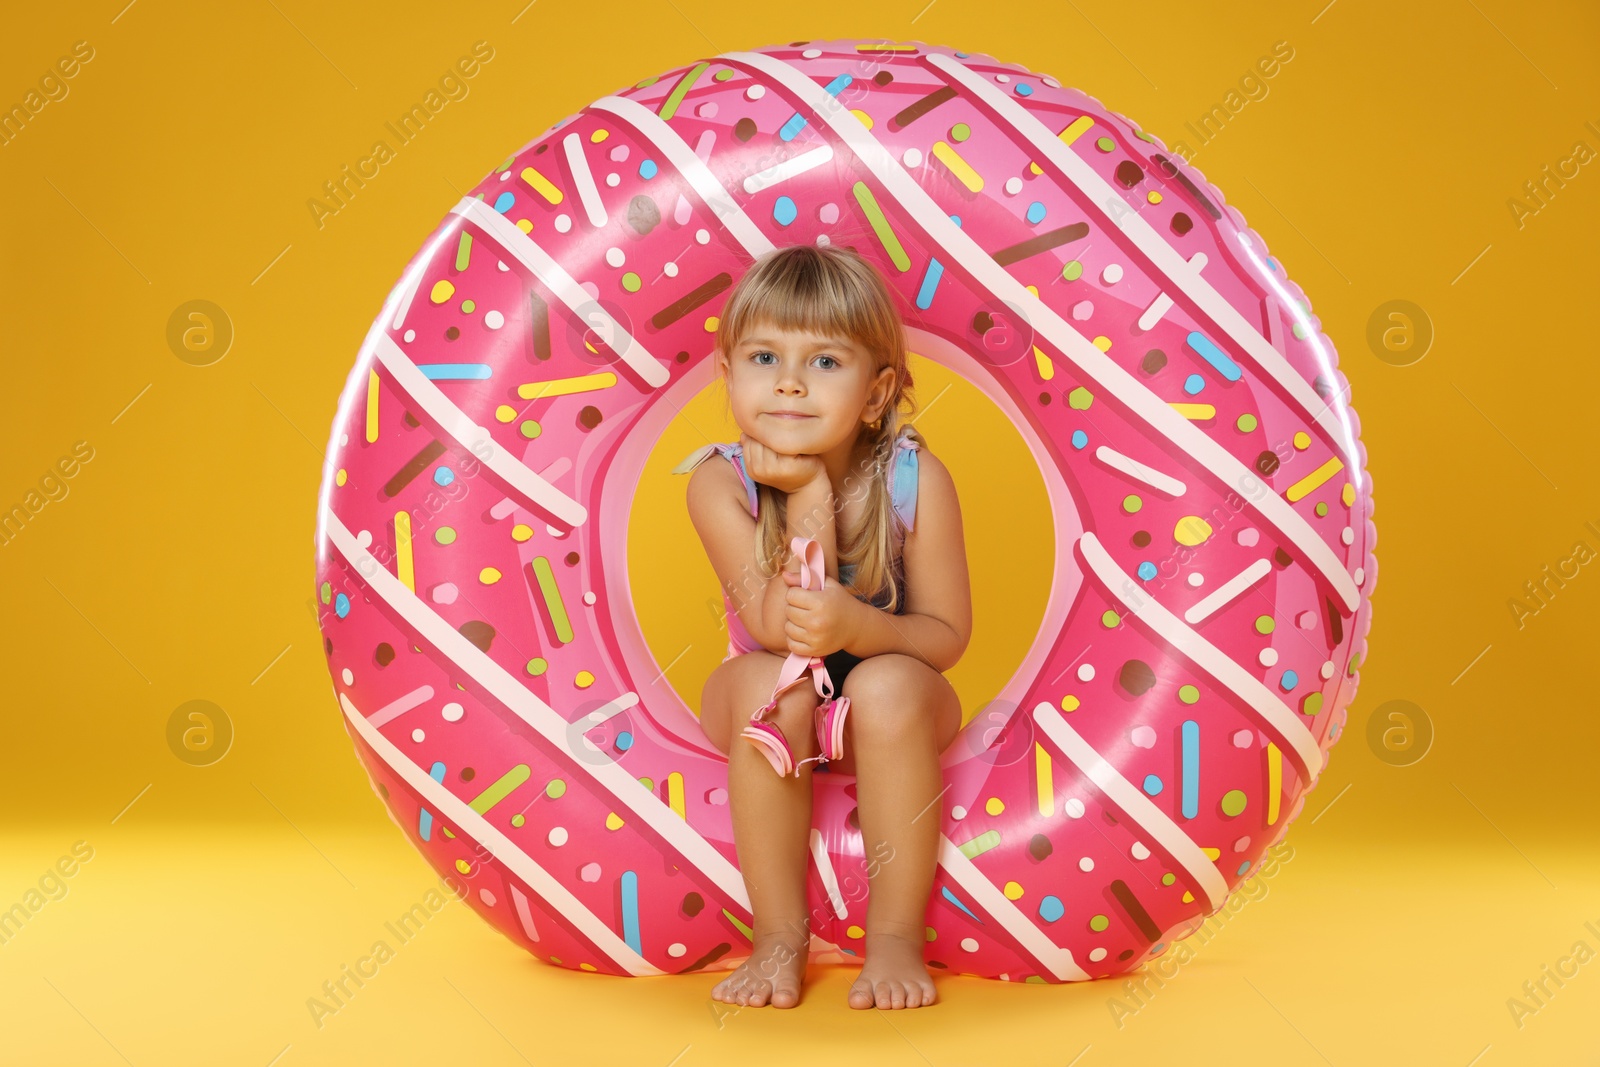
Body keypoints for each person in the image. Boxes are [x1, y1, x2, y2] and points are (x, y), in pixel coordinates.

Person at [675, 244, 972, 1011]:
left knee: (886, 686)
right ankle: (778, 936)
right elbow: (781, 630)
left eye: (826, 361)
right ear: (729, 374)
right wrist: (806, 490)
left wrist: (865, 628)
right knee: (774, 691)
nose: (790, 381)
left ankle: (895, 937)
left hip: (892, 687)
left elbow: (945, 636)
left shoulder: (913, 479)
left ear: (876, 394)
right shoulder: (718, 483)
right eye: (765, 355)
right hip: (772, 680)